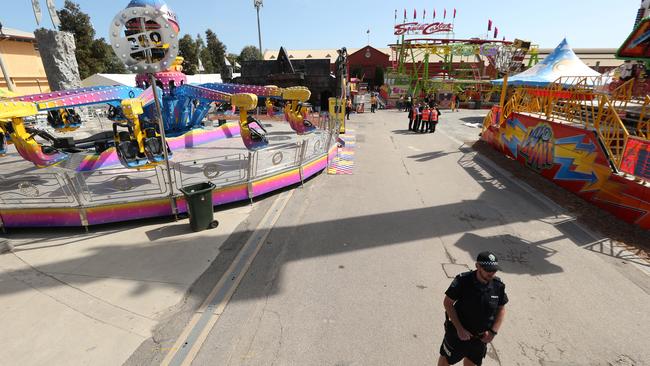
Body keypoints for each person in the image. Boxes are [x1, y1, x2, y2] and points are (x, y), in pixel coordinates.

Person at [438, 251, 508, 366]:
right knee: (445, 361)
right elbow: (448, 303)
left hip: (480, 339)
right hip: (457, 334)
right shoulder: (463, 281)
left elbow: (501, 308)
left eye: (494, 270)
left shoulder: (497, 285)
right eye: (487, 270)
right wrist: (459, 329)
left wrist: (493, 332)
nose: (491, 273)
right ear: (477, 266)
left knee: (472, 363)